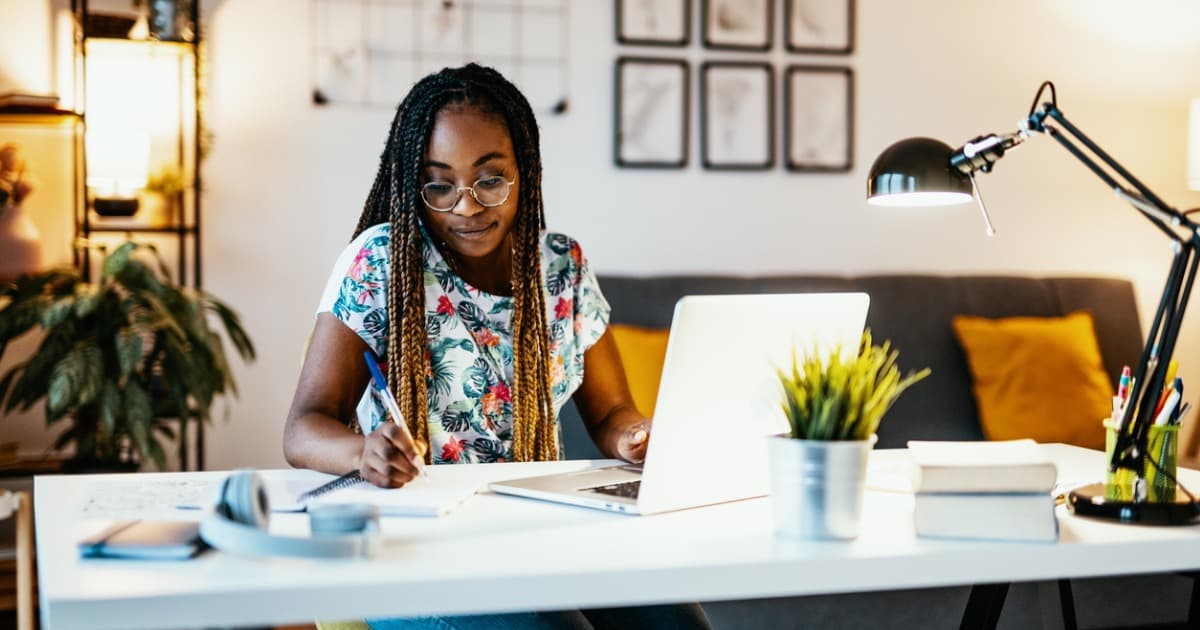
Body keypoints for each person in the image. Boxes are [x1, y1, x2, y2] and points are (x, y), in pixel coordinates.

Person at [283, 64, 711, 630]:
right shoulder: (382, 262)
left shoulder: (560, 266)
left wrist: (633, 436)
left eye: (490, 179)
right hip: (418, 548)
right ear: (415, 182)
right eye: (440, 184)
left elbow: (610, 412)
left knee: (679, 624)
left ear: (524, 172)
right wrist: (362, 453)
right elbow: (304, 428)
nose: (466, 205)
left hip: (540, 532)